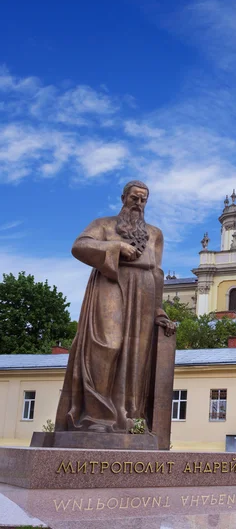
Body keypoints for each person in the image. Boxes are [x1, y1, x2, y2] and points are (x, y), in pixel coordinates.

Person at [55, 181, 176, 434]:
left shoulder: (155, 233)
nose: (138, 204)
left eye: (143, 200)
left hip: (144, 290)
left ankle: (124, 417)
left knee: (136, 354)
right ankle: (95, 417)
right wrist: (115, 247)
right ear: (123, 198)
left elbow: (157, 271)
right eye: (134, 198)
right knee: (107, 344)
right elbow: (79, 246)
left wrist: (158, 310)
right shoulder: (104, 224)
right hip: (110, 282)